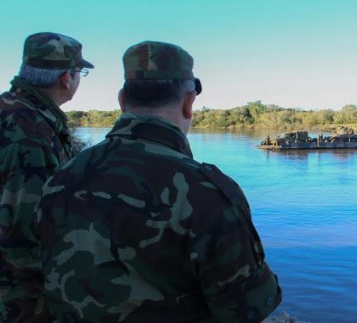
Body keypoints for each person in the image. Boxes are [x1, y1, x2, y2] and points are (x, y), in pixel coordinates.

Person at [37, 40, 282, 322]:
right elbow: (248, 310)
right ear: (189, 103)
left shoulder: (63, 176)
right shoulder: (205, 192)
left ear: (121, 101)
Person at [0, 32, 94, 322]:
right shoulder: (30, 133)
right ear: (67, 78)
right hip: (18, 297)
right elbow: (22, 230)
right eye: (81, 72)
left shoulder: (13, 109)